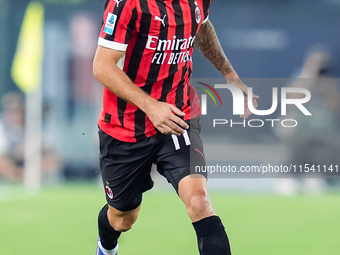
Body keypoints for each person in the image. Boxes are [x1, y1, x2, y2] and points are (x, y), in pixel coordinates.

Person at [93, 1, 258, 254]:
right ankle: (106, 247)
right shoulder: (128, 4)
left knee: (199, 201)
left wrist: (230, 75)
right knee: (123, 218)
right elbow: (102, 65)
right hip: (125, 127)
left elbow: (201, 25)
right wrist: (150, 106)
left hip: (178, 116)